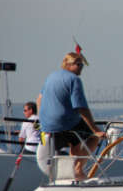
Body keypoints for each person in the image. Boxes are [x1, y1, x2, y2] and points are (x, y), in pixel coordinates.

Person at [37, 52, 106, 181]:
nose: (81, 67)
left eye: (82, 64)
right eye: (78, 64)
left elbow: (39, 100)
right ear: (68, 64)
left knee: (76, 140)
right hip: (65, 123)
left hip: (47, 126)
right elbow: (81, 108)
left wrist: (43, 121)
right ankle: (77, 170)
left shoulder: (51, 76)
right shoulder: (74, 80)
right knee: (93, 137)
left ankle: (72, 170)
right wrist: (95, 129)